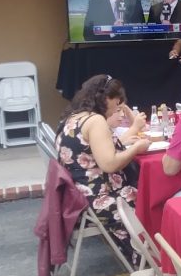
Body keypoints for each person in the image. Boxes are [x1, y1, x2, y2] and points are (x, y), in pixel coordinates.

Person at [56, 74, 150, 263]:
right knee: (153, 202)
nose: (118, 109)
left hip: (78, 197)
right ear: (106, 98)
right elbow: (109, 164)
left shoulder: (75, 118)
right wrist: (135, 149)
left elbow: (92, 152)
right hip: (100, 198)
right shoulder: (96, 121)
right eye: (117, 104)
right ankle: (151, 258)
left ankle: (142, 254)